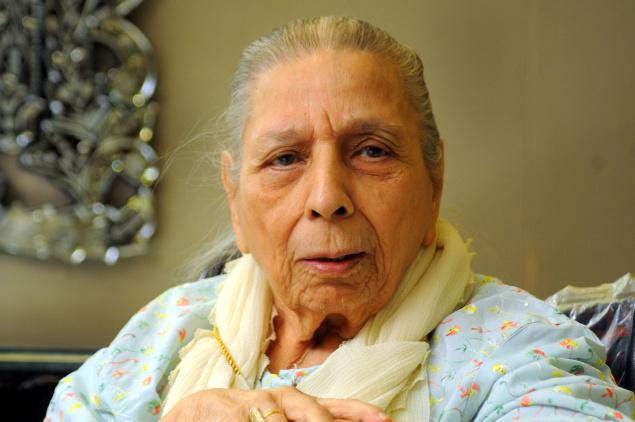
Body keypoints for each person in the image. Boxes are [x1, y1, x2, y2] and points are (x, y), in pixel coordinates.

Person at [46, 16, 634, 422]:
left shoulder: (520, 350)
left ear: (434, 183)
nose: (327, 196)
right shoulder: (164, 333)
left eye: (372, 150)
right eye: (285, 159)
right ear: (236, 202)